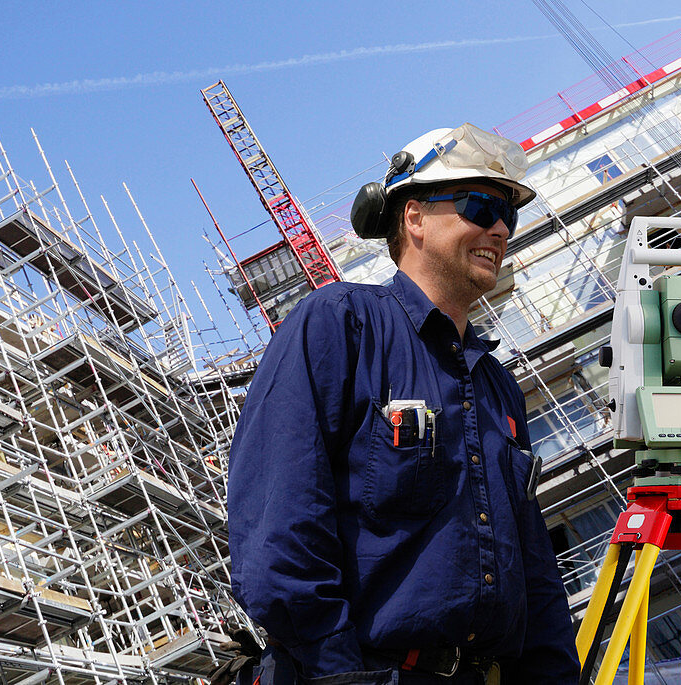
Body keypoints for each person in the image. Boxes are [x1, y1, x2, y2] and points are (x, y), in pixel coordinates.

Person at [227, 123, 580, 684]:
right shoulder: (340, 325)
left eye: (508, 215)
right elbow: (279, 536)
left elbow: (533, 569)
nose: (499, 229)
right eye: (481, 205)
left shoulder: (497, 387)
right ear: (413, 217)